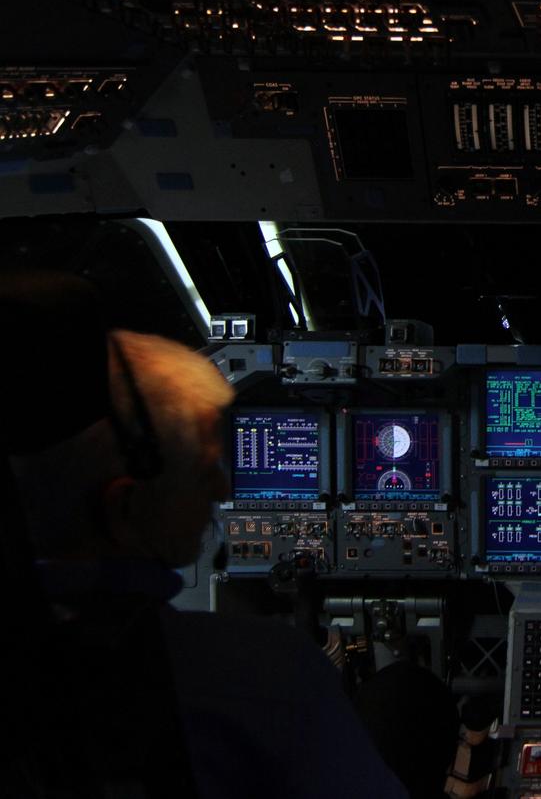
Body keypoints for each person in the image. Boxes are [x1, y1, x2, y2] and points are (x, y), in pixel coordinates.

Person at [5, 278, 409, 799]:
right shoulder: (267, 673)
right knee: (406, 701)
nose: (223, 488)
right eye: (201, 472)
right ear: (124, 508)